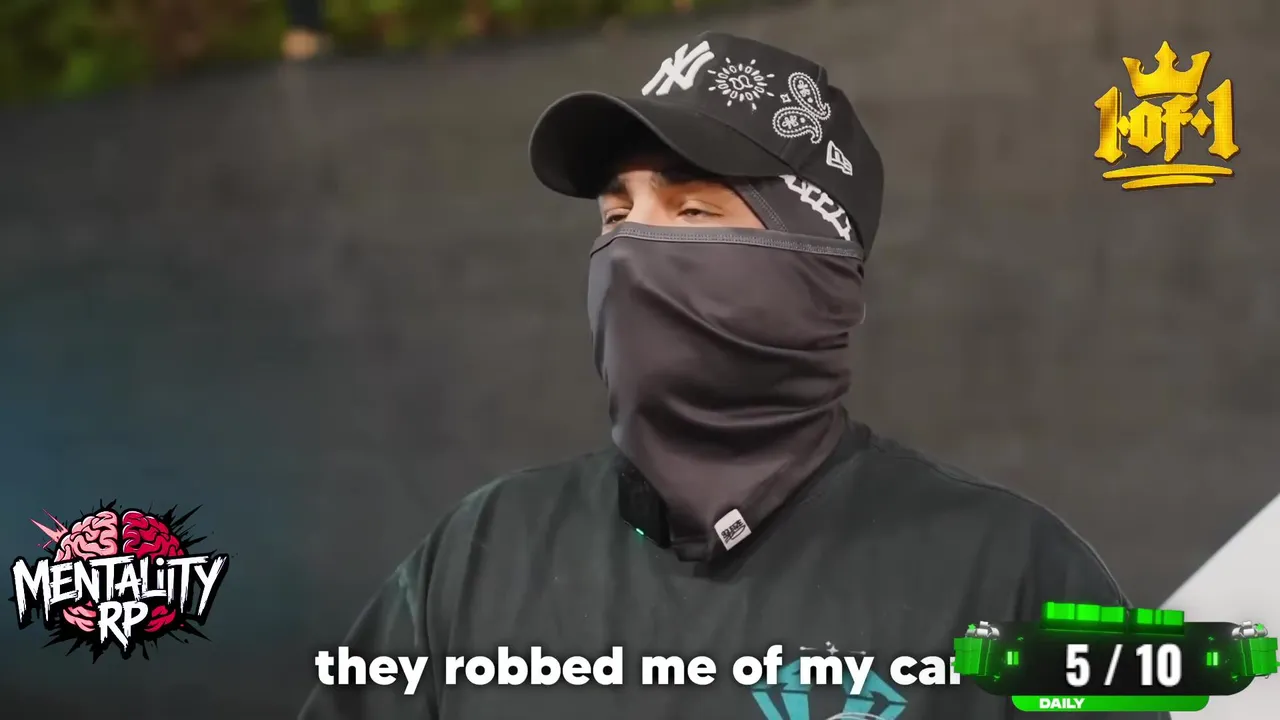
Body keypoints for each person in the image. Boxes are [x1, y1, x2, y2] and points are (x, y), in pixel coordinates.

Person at [300, 31, 1168, 719]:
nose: (633, 248)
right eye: (617, 214)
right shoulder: (479, 556)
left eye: (692, 209)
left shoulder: (1015, 574)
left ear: (818, 270)